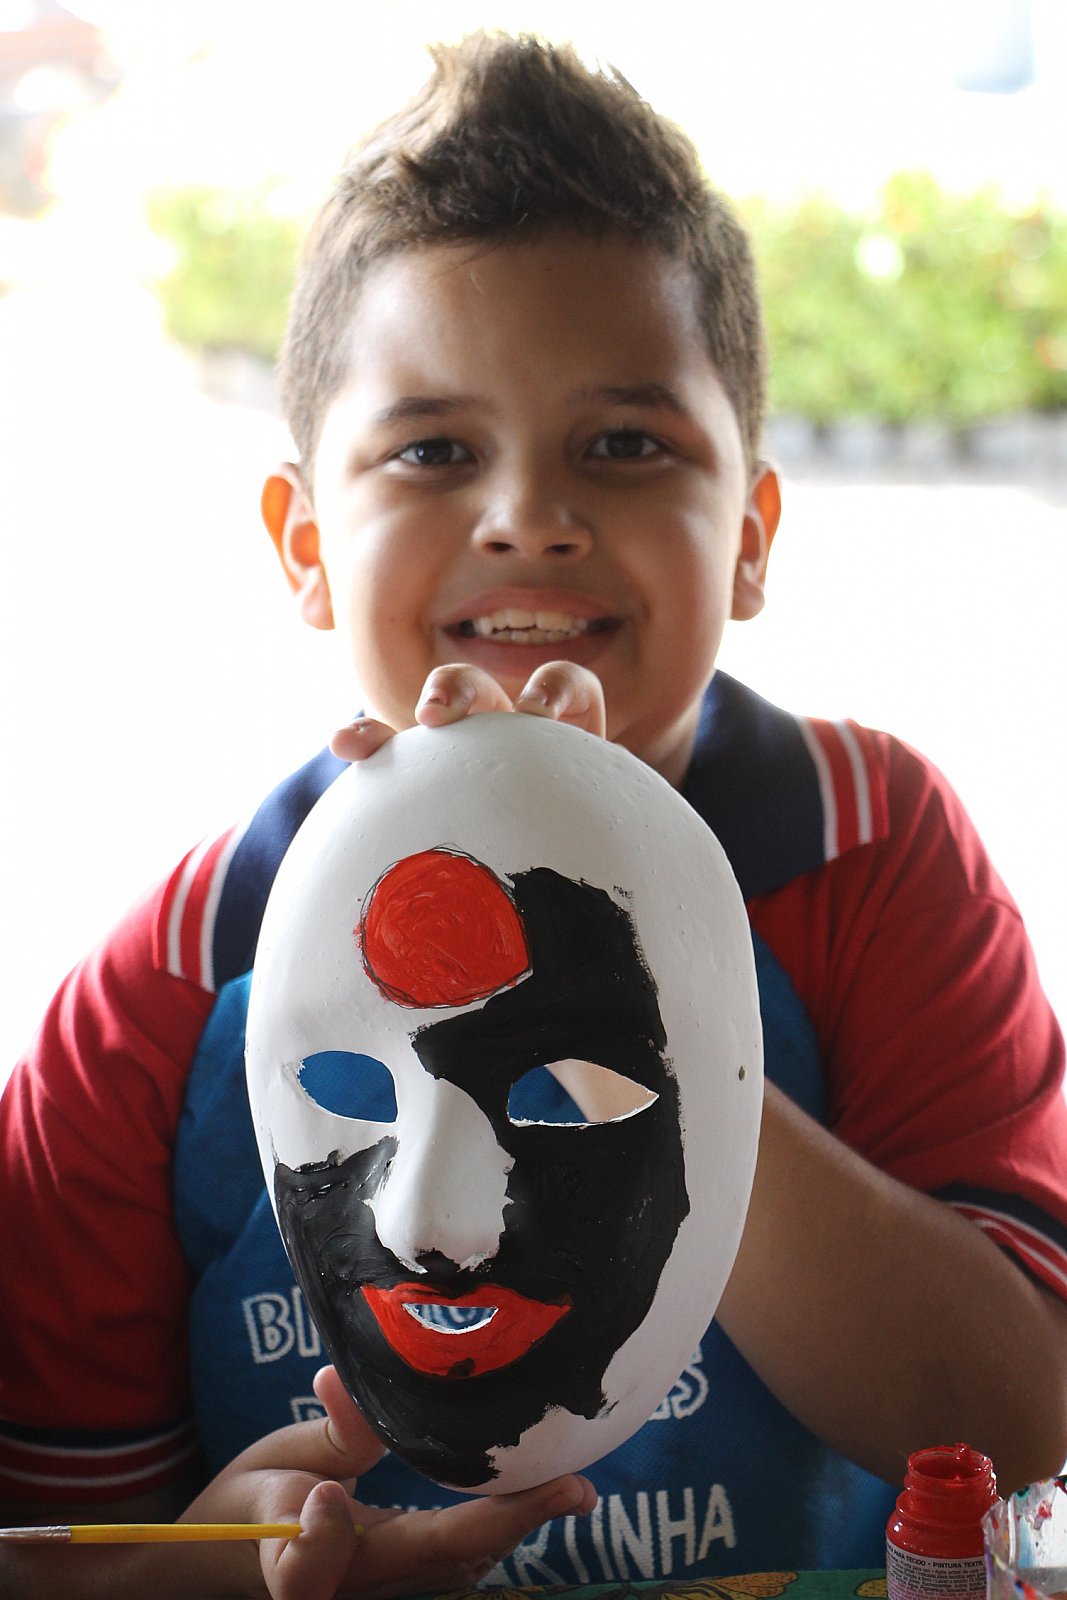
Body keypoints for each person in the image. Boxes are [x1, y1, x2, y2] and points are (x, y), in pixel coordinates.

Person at [3, 29, 1067, 1600]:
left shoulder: (867, 848)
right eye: (433, 450)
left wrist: (641, 977)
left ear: (750, 533)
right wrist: (217, 1563)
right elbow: (55, 1533)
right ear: (304, 543)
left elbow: (1013, 1425)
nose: (529, 518)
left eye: (625, 446)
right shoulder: (171, 980)